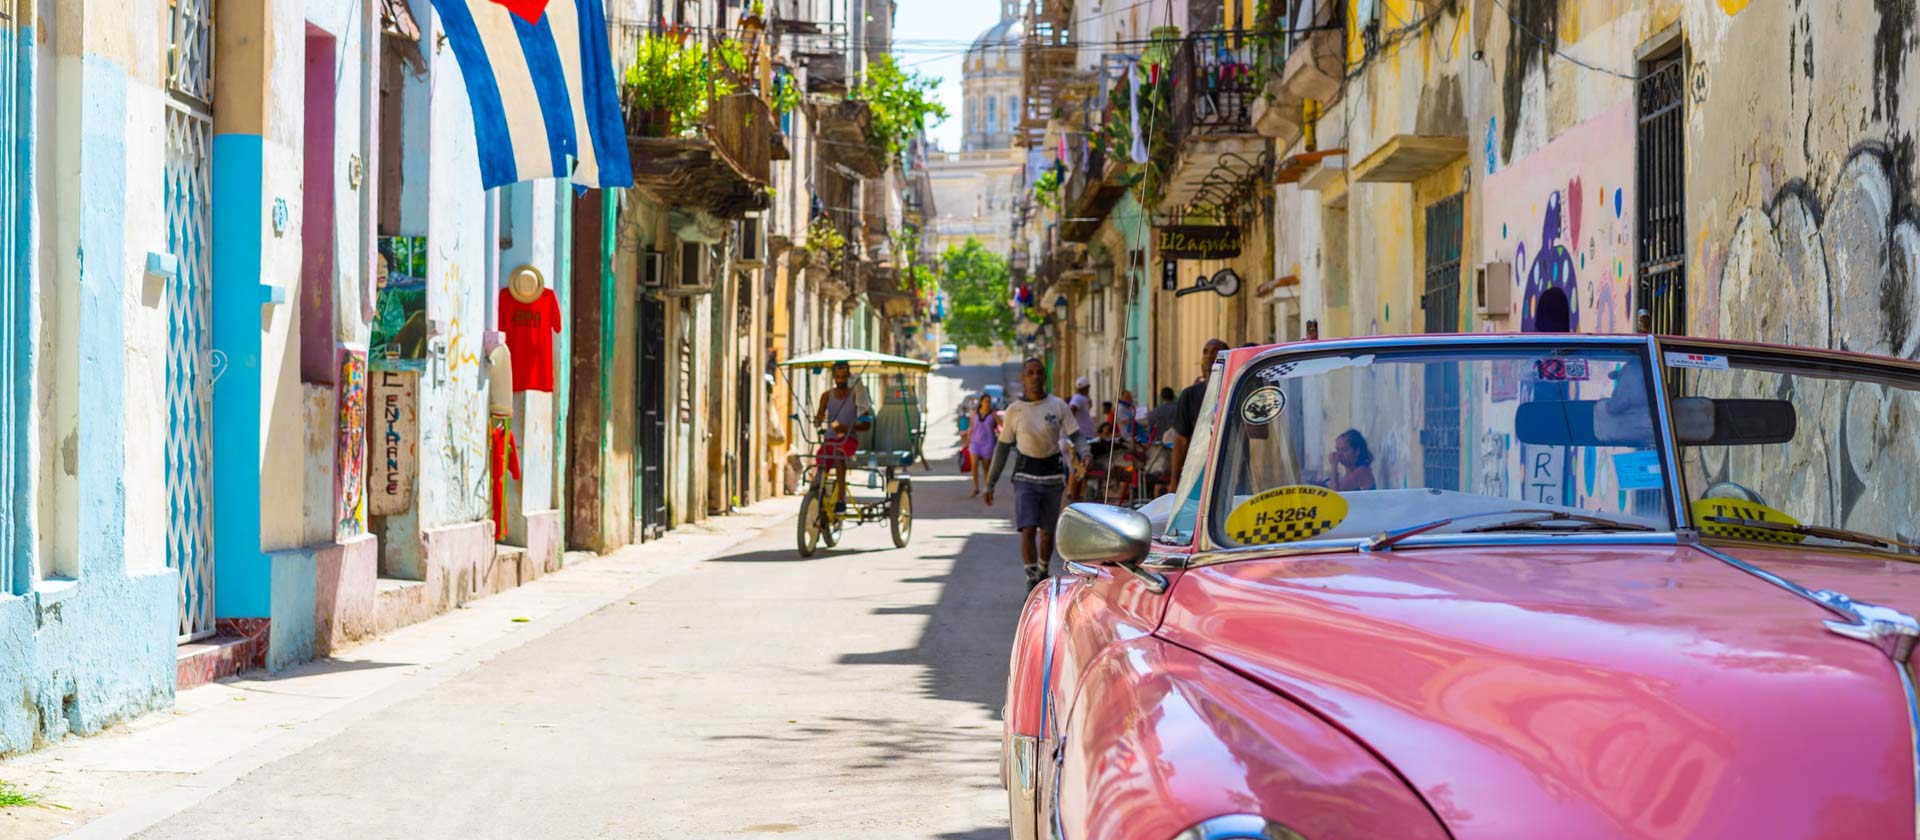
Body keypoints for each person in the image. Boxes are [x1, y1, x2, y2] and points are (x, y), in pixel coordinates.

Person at [985, 358, 1090, 590]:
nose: (1035, 377)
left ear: (1044, 377)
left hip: (1052, 477)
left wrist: (1085, 452)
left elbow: (1076, 434)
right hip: (1025, 477)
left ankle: (1043, 569)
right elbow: (1002, 448)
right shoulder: (1015, 410)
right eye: (1030, 373)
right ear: (1023, 378)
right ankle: (1031, 577)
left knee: (1047, 533)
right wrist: (990, 483)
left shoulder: (1058, 406)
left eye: (1039, 373)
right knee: (1028, 528)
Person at [812, 360, 872, 512]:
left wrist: (847, 428)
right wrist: (817, 421)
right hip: (831, 439)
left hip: (849, 440)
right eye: (838, 377)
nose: (840, 380)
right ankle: (817, 493)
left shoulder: (856, 396)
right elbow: (819, 416)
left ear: (848, 376)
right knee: (821, 459)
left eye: (844, 377)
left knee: (839, 455)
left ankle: (841, 498)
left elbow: (867, 424)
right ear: (833, 377)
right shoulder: (826, 396)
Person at [1171, 339, 1230, 487]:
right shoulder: (1189, 395)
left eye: (1215, 351)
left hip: (1229, 469)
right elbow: (1181, 440)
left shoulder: (1233, 391)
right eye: (1206, 351)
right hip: (1198, 471)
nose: (1209, 356)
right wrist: (1174, 479)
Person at [966, 393, 1000, 496]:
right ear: (981, 402)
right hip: (975, 443)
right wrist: (967, 441)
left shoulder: (993, 415)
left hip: (988, 443)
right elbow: (971, 428)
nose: (987, 404)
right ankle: (976, 488)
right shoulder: (975, 414)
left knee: (986, 468)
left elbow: (1001, 426)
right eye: (985, 401)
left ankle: (987, 488)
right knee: (974, 464)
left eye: (989, 402)